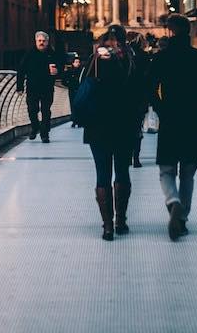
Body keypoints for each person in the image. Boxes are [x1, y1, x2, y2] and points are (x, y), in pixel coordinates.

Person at [149, 13, 197, 240]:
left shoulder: (161, 58)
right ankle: (183, 218)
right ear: (188, 32)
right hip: (193, 119)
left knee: (166, 170)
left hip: (170, 119)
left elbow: (149, 88)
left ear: (170, 32)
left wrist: (160, 108)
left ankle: (173, 201)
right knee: (188, 173)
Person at [82, 24, 143, 240]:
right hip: (125, 126)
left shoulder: (95, 61)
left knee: (102, 175)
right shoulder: (131, 61)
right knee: (123, 172)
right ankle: (121, 220)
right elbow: (141, 94)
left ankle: (107, 226)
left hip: (97, 126)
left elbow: (81, 88)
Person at [15, 31, 61, 143]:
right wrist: (19, 87)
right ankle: (35, 127)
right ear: (36, 41)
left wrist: (57, 72)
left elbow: (60, 68)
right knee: (32, 109)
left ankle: (44, 134)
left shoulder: (53, 54)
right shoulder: (29, 54)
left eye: (44, 41)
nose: (41, 43)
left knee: (46, 111)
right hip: (32, 87)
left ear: (47, 42)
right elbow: (21, 70)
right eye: (39, 41)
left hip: (47, 87)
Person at [127, 31, 152, 167]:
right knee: (137, 127)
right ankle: (136, 158)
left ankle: (126, 155)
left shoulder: (123, 55)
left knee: (125, 128)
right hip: (140, 98)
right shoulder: (145, 56)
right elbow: (149, 79)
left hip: (124, 99)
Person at [63, 54, 83, 128]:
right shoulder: (69, 71)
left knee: (79, 105)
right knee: (73, 105)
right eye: (76, 62)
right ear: (73, 63)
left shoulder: (82, 71)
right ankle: (74, 121)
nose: (77, 63)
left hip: (80, 90)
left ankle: (79, 121)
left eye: (78, 62)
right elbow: (63, 81)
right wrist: (69, 85)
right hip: (72, 90)